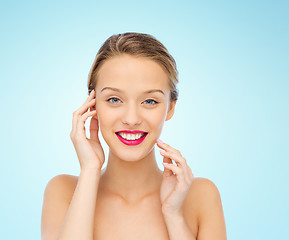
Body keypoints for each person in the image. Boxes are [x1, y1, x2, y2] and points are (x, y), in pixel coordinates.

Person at [41, 32, 227, 240]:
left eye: (149, 101)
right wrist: (90, 170)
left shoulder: (201, 196)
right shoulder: (64, 191)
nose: (131, 119)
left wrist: (173, 216)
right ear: (92, 105)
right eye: (114, 99)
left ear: (170, 108)